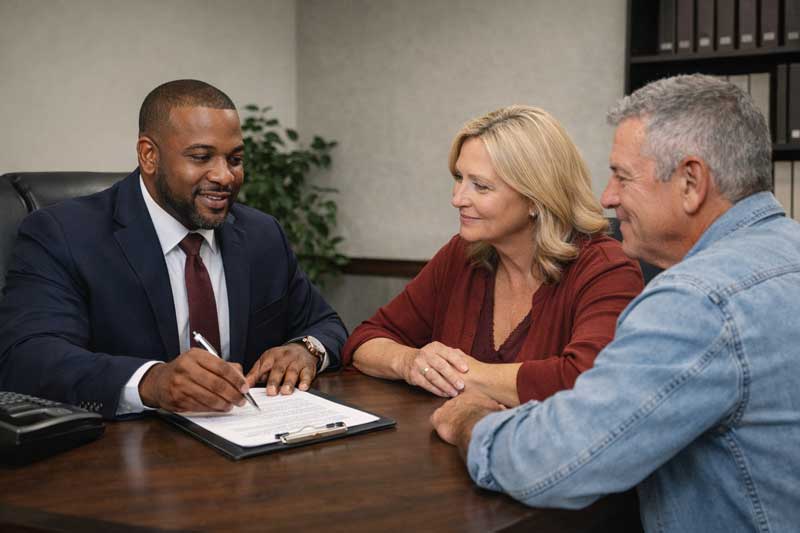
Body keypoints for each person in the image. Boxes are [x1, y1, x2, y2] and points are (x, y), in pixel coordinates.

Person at [431, 74, 800, 532]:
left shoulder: (699, 303)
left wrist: (471, 419)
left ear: (691, 182)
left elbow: (552, 462)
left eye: (622, 176)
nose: (608, 197)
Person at [0, 79, 347, 419]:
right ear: (149, 155)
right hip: (121, 457)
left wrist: (306, 349)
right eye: (201, 157)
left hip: (250, 447)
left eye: (235, 159)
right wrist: (150, 383)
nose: (225, 176)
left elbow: (325, 323)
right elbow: (28, 358)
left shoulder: (261, 234)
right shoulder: (63, 234)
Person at [342, 106, 643, 407]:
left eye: (481, 186)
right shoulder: (461, 255)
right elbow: (365, 339)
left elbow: (586, 381)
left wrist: (457, 373)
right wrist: (409, 361)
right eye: (459, 178)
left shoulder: (606, 268)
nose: (457, 198)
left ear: (536, 198)